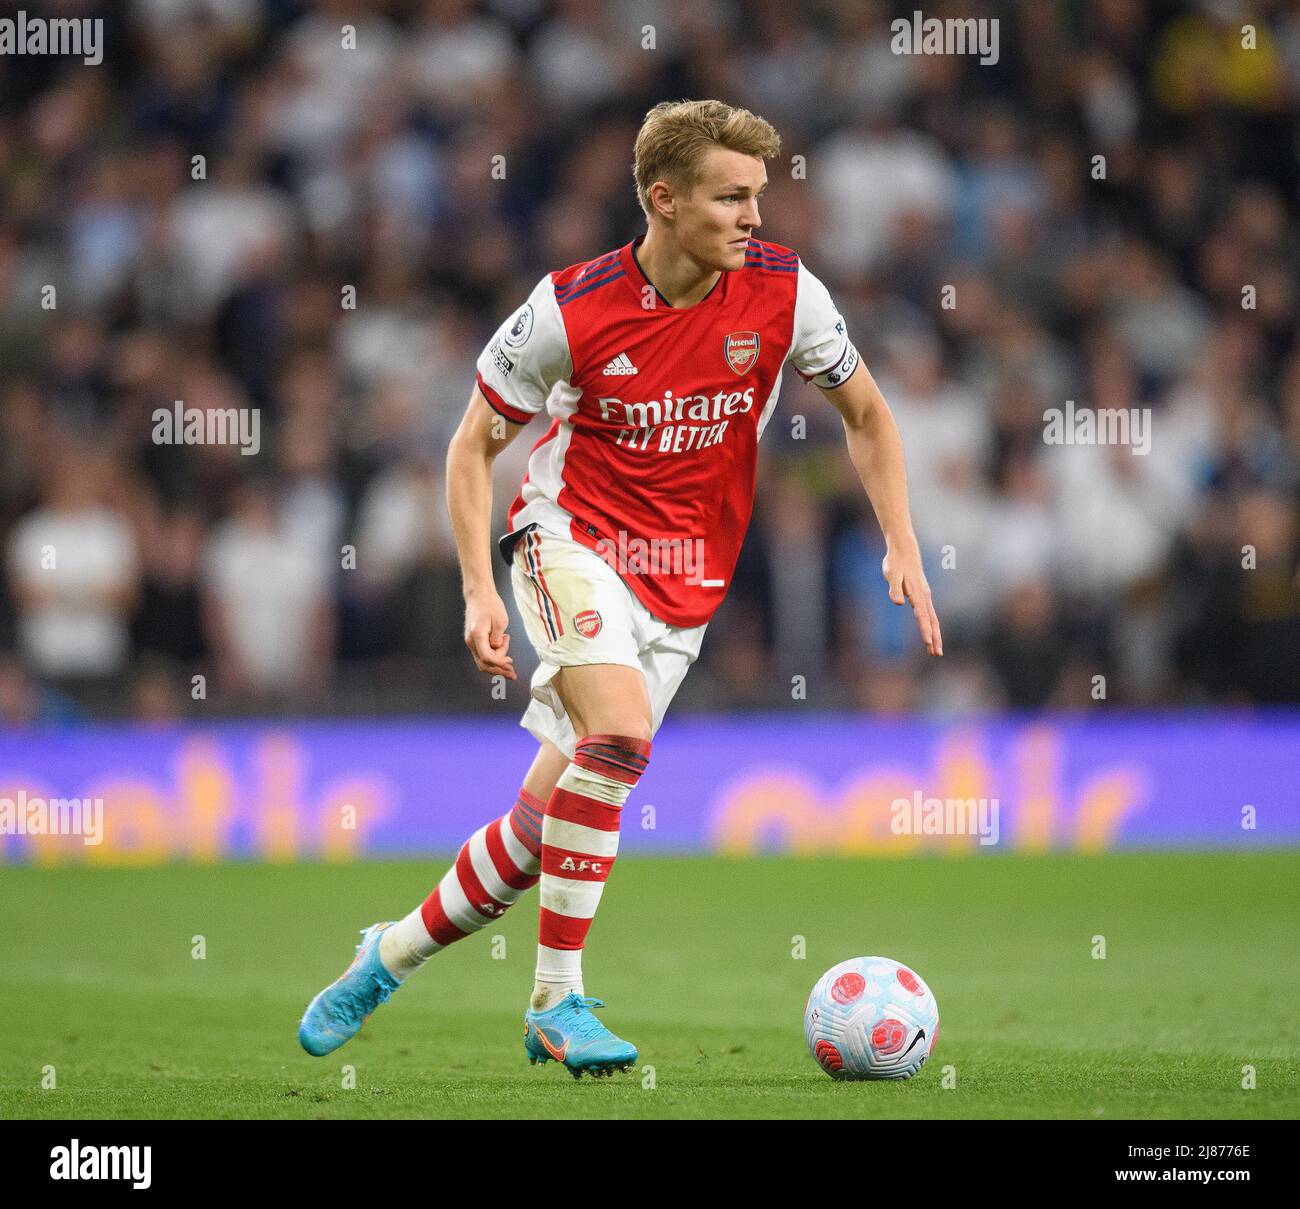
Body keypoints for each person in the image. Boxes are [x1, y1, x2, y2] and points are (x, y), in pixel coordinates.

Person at [299, 99, 942, 1078]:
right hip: (568, 537)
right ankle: (556, 1001)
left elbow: (867, 414)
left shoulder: (785, 293)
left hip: (686, 584)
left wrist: (900, 541)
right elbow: (472, 445)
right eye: (732, 197)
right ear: (664, 198)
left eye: (759, 197)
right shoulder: (570, 308)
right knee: (620, 739)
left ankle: (384, 957)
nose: (754, 218)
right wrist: (479, 586)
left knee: (531, 838)